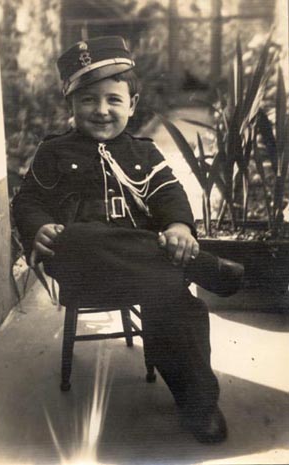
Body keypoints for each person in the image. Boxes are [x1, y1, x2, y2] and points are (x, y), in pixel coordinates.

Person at [13, 36, 243, 444]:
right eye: (88, 100)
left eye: (113, 100)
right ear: (70, 106)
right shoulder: (54, 152)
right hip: (84, 268)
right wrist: (39, 227)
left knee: (178, 307)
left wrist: (179, 228)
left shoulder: (144, 152)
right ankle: (200, 265)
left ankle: (200, 405)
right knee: (79, 236)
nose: (101, 110)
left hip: (142, 272)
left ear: (132, 106)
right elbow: (29, 200)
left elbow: (170, 194)